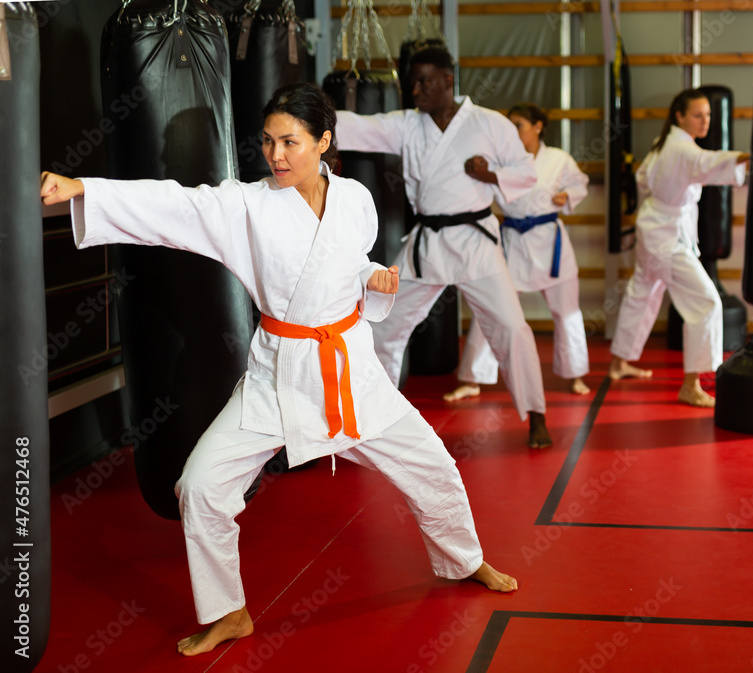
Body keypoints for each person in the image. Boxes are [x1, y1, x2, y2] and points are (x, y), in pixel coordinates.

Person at [39, 82, 516, 658]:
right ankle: (228, 612)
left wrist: (372, 279)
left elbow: (350, 261)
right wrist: (83, 187)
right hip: (279, 376)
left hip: (351, 372)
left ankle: (465, 560)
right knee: (201, 486)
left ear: (324, 143)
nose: (276, 154)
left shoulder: (357, 200)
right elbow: (175, 204)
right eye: (268, 142)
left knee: (432, 466)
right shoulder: (247, 206)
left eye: (290, 141)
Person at [334, 47, 553, 447]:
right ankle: (374, 414)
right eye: (411, 81)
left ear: (448, 82)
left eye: (424, 82)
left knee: (512, 328)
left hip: (476, 242)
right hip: (428, 244)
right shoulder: (406, 125)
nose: (415, 90)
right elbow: (361, 126)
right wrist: (310, 113)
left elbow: (526, 172)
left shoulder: (490, 124)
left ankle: (536, 414)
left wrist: (492, 173)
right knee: (382, 324)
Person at [608, 88, 749, 408]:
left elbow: (644, 178)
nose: (705, 121)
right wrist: (745, 158)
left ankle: (619, 362)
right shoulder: (681, 150)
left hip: (655, 228)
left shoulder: (665, 145)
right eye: (698, 115)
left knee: (642, 293)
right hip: (667, 237)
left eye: (708, 115)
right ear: (680, 116)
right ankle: (691, 384)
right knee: (706, 302)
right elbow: (707, 161)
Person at [444, 102, 591, 402]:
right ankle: (473, 378)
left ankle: (575, 373)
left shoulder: (558, 159)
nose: (513, 131)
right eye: (509, 126)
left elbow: (580, 183)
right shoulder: (500, 161)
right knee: (491, 307)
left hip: (550, 245)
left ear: (538, 127)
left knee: (567, 312)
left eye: (519, 125)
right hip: (512, 241)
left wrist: (569, 195)